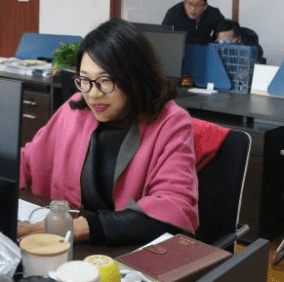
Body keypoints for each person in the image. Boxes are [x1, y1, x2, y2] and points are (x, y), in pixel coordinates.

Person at [18, 19, 199, 246]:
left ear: (134, 77)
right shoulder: (75, 110)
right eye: (85, 80)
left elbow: (173, 206)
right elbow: (28, 161)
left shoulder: (171, 123)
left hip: (130, 249)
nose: (93, 94)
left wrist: (71, 228)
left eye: (105, 81)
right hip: (72, 246)